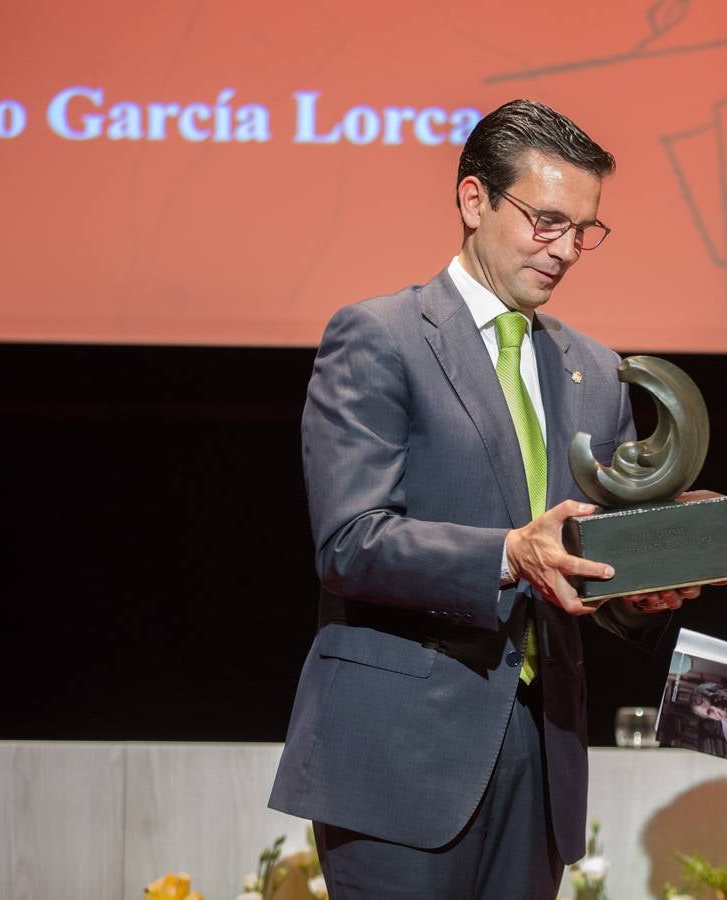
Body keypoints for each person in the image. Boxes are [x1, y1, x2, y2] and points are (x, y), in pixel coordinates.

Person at [268, 98, 694, 899]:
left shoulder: (597, 371)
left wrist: (646, 589)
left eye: (584, 229)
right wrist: (507, 554)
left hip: (541, 749)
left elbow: (588, 562)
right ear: (473, 200)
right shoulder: (379, 337)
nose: (566, 249)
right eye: (546, 221)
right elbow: (351, 541)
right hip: (400, 754)